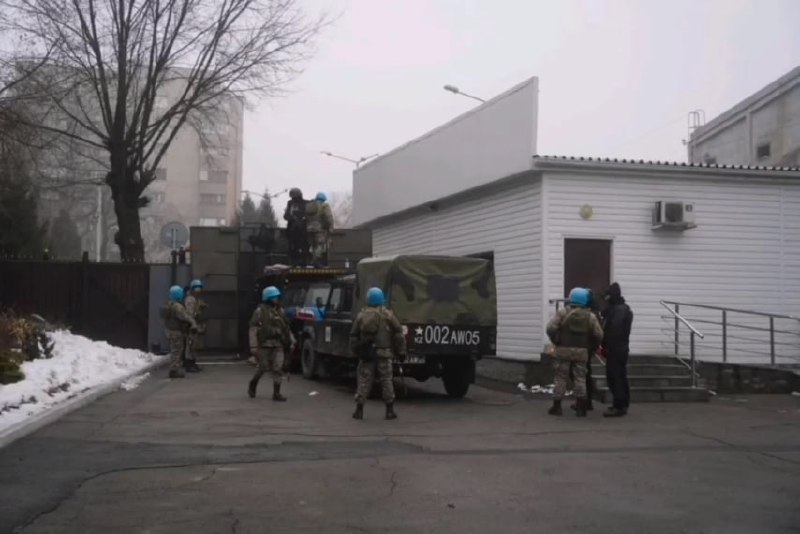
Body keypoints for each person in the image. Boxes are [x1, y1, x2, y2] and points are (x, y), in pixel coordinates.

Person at [349, 287, 406, 420]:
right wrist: (401, 351)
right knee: (387, 381)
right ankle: (389, 410)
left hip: (367, 353)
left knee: (364, 380)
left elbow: (353, 335)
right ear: (381, 299)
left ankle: (359, 410)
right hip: (384, 353)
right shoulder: (388, 315)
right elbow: (398, 333)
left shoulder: (361, 315)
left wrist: (356, 351)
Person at [546, 287, 603, 417]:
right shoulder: (590, 316)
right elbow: (599, 335)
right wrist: (592, 347)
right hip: (582, 351)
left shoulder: (562, 312)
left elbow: (550, 328)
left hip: (563, 349)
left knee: (560, 377)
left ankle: (557, 407)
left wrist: (555, 340)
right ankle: (581, 408)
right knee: (580, 378)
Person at [248, 285, 295, 401]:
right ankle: (253, 383)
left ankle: (276, 393)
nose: (276, 299)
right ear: (268, 298)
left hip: (278, 344)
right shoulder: (259, 311)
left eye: (277, 297)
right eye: (274, 297)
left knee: (278, 368)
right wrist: (253, 345)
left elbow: (286, 328)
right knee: (263, 367)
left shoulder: (280, 311)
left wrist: (292, 340)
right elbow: (253, 329)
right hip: (264, 344)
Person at [600, 282, 634, 417]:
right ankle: (622, 404)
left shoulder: (619, 310)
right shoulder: (619, 309)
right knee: (619, 376)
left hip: (616, 348)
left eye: (608, 297)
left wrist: (606, 345)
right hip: (619, 348)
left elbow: (614, 330)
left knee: (615, 377)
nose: (606, 300)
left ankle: (619, 406)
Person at [570, 288, 602, 412]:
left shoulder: (588, 313)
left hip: (581, 347)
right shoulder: (594, 312)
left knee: (579, 375)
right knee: (585, 374)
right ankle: (586, 402)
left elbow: (597, 333)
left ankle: (582, 403)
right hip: (587, 347)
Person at [164, 285, 198, 379]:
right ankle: (174, 370)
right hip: (176, 332)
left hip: (170, 330)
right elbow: (185, 317)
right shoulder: (177, 307)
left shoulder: (169, 304)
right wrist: (193, 324)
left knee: (174, 350)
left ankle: (174, 369)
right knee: (177, 351)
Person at [183, 279, 207, 373]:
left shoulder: (196, 299)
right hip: (191, 325)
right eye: (197, 288)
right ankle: (189, 364)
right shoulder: (190, 299)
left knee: (194, 345)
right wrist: (192, 324)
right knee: (190, 345)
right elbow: (189, 314)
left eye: (199, 288)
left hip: (195, 325)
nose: (198, 290)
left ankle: (193, 362)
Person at [305, 192, 334, 267]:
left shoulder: (310, 205)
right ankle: (315, 260)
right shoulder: (324, 205)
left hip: (309, 228)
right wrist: (330, 227)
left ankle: (313, 260)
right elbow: (329, 217)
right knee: (320, 245)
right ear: (324, 199)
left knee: (314, 245)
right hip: (319, 229)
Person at [283, 188, 308, 266]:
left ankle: (303, 262)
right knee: (292, 247)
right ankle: (294, 262)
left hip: (303, 229)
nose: (293, 198)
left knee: (304, 246)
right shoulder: (290, 203)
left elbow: (309, 215)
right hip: (292, 229)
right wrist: (292, 218)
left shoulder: (306, 203)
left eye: (294, 196)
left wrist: (302, 219)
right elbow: (286, 215)